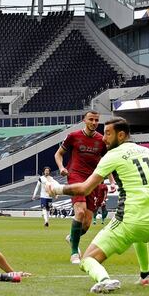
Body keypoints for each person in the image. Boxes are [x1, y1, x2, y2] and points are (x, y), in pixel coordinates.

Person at [46, 117, 149, 293]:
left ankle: (104, 280)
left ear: (121, 135)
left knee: (87, 260)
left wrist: (57, 189)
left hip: (129, 221)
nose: (103, 138)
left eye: (108, 134)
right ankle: (146, 276)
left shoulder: (113, 155)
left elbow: (84, 189)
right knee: (138, 236)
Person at [54, 110, 109, 265]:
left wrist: (110, 181)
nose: (94, 122)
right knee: (80, 211)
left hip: (93, 180)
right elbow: (58, 154)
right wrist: (61, 167)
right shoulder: (73, 136)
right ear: (84, 120)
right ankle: (74, 254)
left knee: (86, 223)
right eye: (91, 119)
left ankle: (72, 237)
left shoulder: (101, 140)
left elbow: (107, 161)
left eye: (96, 120)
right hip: (76, 176)